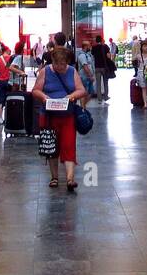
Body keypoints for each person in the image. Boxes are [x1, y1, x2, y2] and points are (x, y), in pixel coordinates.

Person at [30, 44, 87, 192]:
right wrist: (44, 97)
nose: (60, 67)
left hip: (67, 115)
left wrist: (71, 96)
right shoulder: (45, 72)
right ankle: (54, 177)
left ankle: (70, 179)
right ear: (52, 62)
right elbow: (35, 90)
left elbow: (82, 90)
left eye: (63, 64)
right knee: (52, 147)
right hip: (49, 116)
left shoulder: (72, 71)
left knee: (69, 145)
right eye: (57, 64)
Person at [74, 40, 95, 108]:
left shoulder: (87, 55)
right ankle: (83, 108)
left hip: (88, 77)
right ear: (85, 46)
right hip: (84, 77)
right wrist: (90, 76)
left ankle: (83, 106)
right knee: (84, 93)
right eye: (89, 45)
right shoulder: (82, 55)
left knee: (90, 93)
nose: (90, 47)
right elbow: (85, 66)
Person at [91, 35, 111, 101]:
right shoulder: (105, 47)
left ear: (96, 40)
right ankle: (105, 96)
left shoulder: (93, 47)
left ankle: (99, 98)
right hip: (104, 67)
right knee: (105, 82)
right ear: (101, 40)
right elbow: (108, 56)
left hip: (97, 67)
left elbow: (93, 55)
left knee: (98, 83)